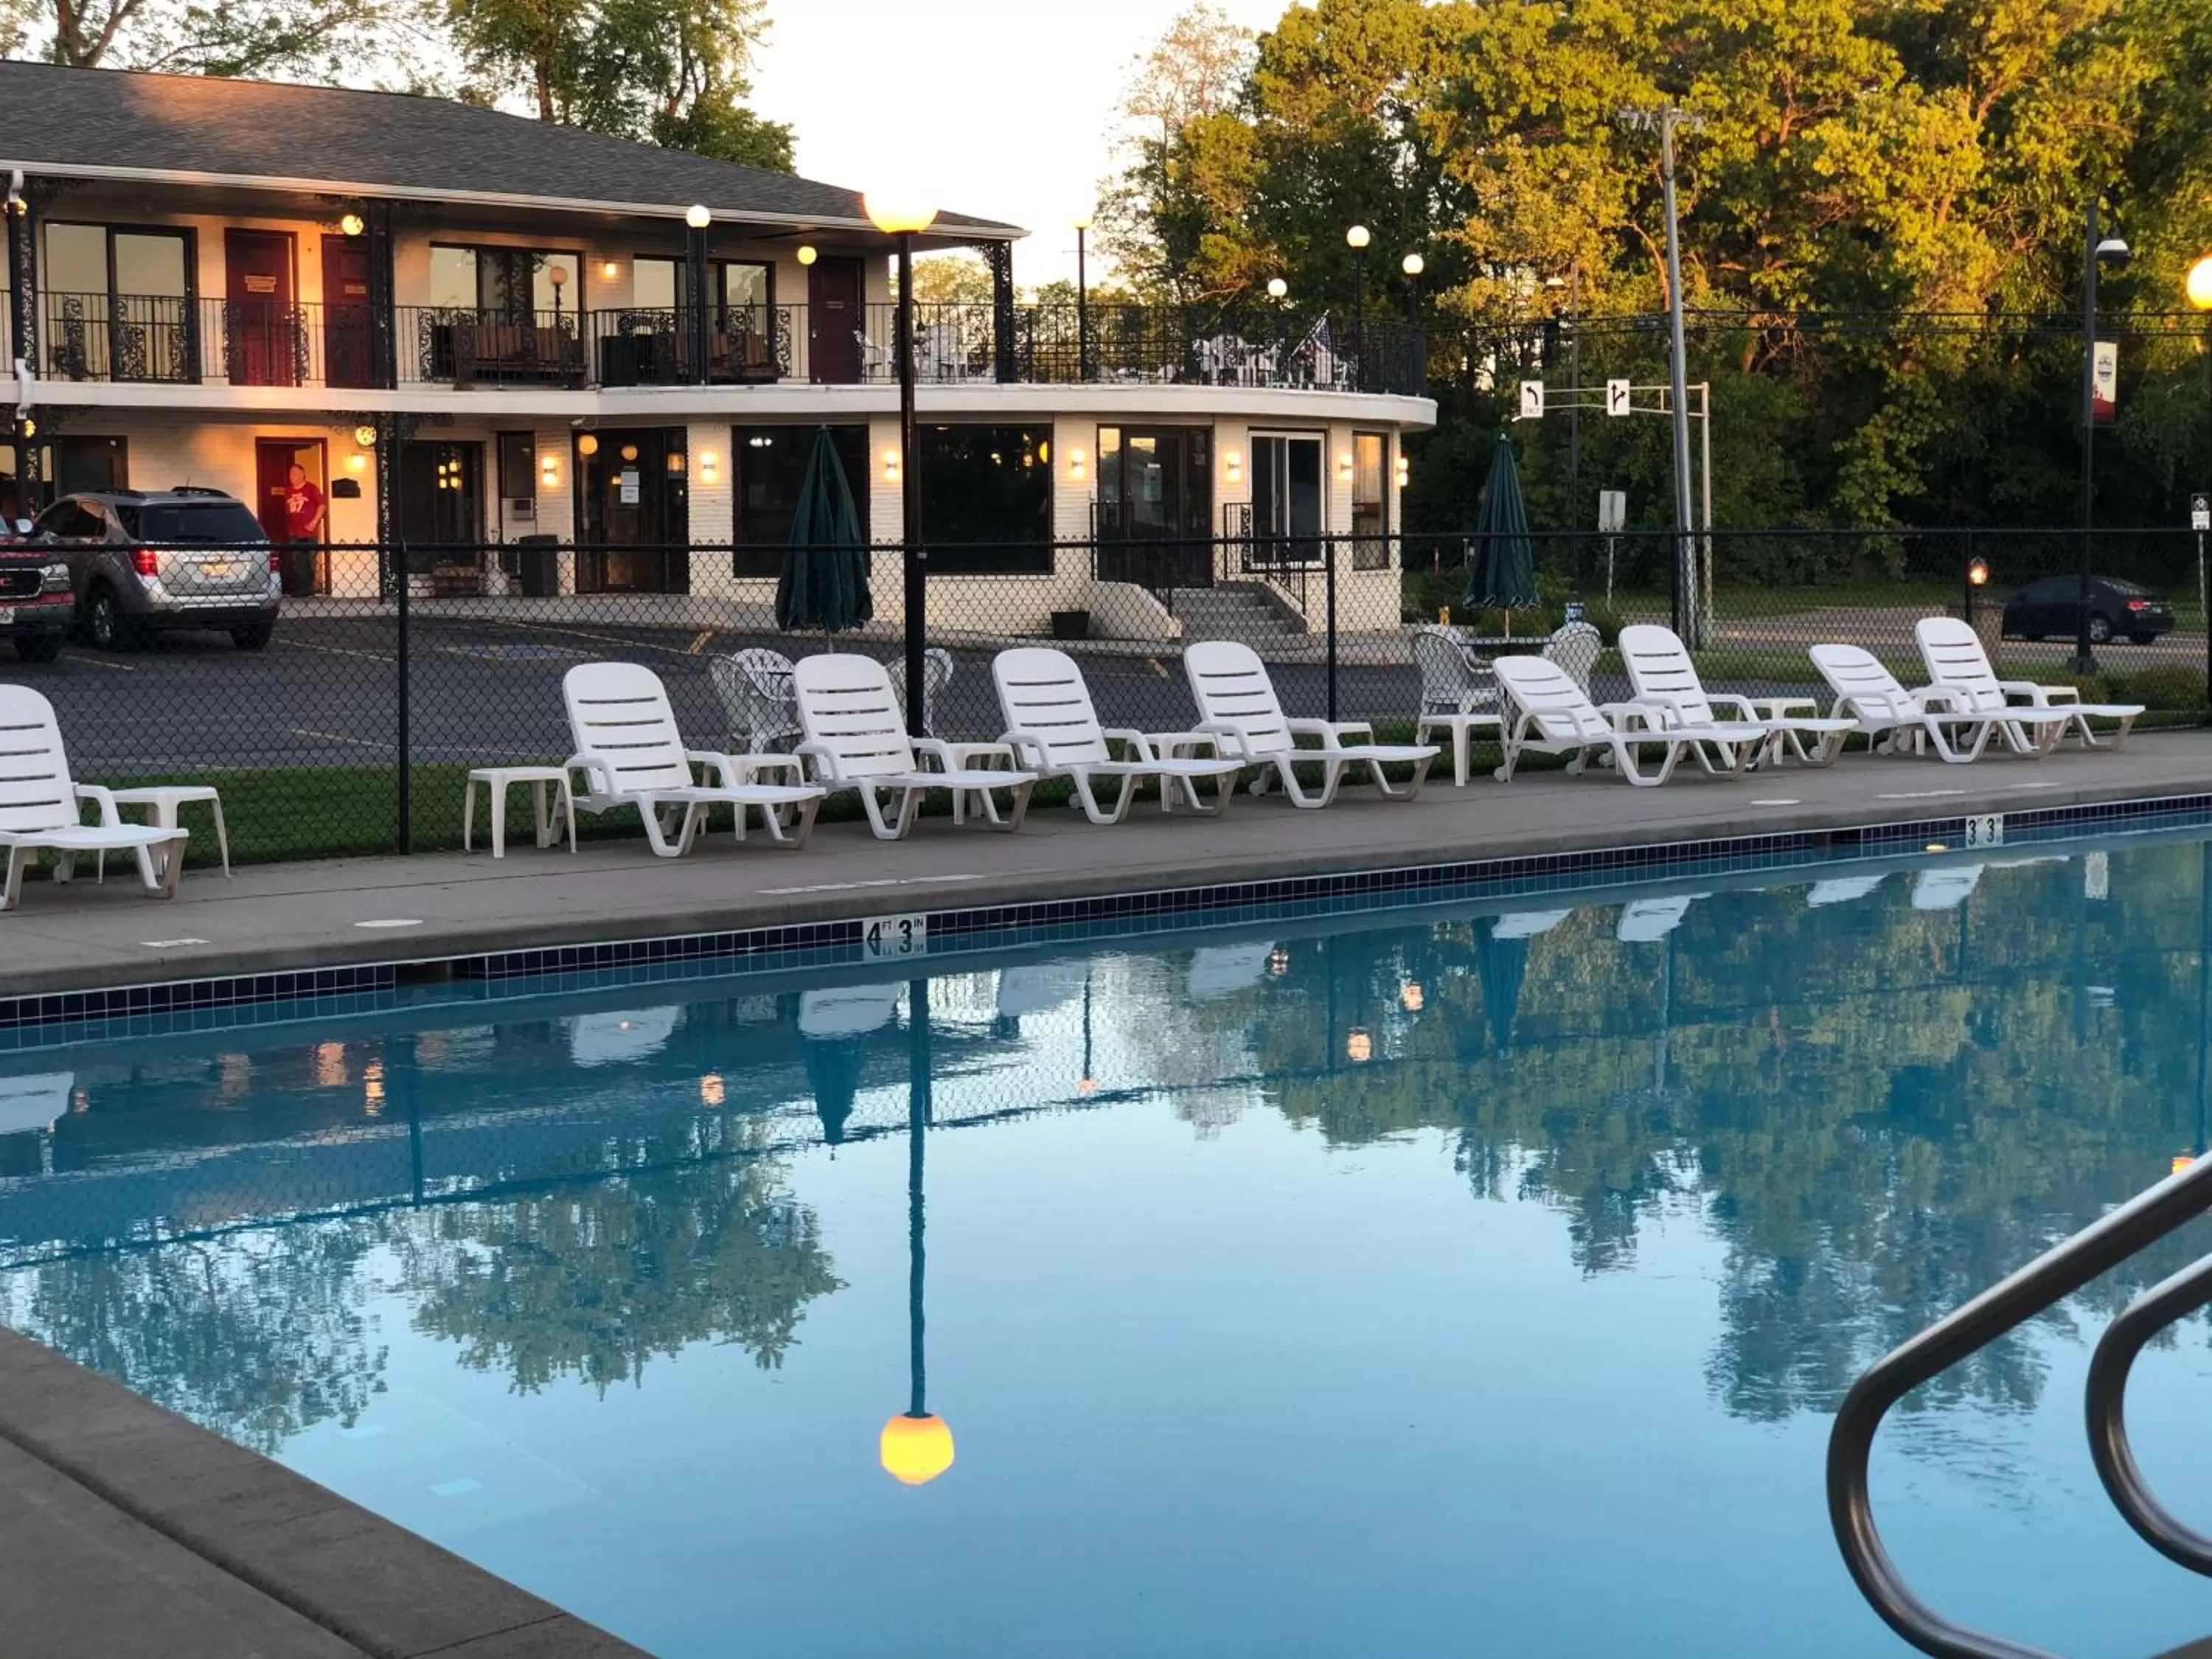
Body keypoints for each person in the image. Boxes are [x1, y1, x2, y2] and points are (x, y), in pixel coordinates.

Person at [282, 463, 325, 546]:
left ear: (302, 474)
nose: (291, 476)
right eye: (290, 474)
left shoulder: (311, 488)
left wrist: (314, 522)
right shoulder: (288, 490)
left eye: (295, 474)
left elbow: (322, 506)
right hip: (294, 532)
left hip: (309, 533)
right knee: (295, 557)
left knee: (309, 558)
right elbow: (287, 509)